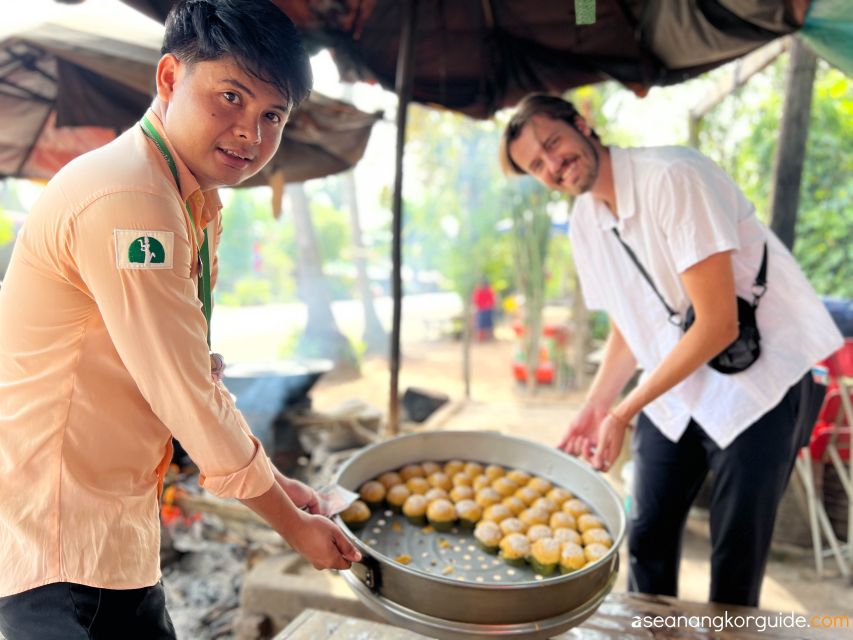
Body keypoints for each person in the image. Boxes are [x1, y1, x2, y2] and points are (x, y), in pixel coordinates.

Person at [0, 1, 360, 638]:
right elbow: (189, 395)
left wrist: (278, 481)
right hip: (44, 540)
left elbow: (186, 368)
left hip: (116, 535)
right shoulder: (130, 197)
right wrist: (294, 526)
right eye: (231, 96)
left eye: (272, 114)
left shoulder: (189, 198)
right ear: (169, 78)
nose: (251, 132)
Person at [499, 93, 842, 607]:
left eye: (553, 143)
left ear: (582, 123)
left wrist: (623, 411)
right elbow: (627, 325)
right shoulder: (586, 222)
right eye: (536, 164)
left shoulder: (674, 177)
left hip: (758, 384)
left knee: (735, 562)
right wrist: (596, 406)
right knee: (648, 536)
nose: (553, 165)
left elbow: (718, 325)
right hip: (676, 389)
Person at [472, 277, 497, 341]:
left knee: (489, 325)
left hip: (487, 309)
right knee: (481, 325)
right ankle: (481, 338)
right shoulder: (478, 291)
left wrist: (490, 305)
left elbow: (492, 300)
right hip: (481, 310)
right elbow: (476, 301)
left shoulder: (489, 290)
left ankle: (489, 338)